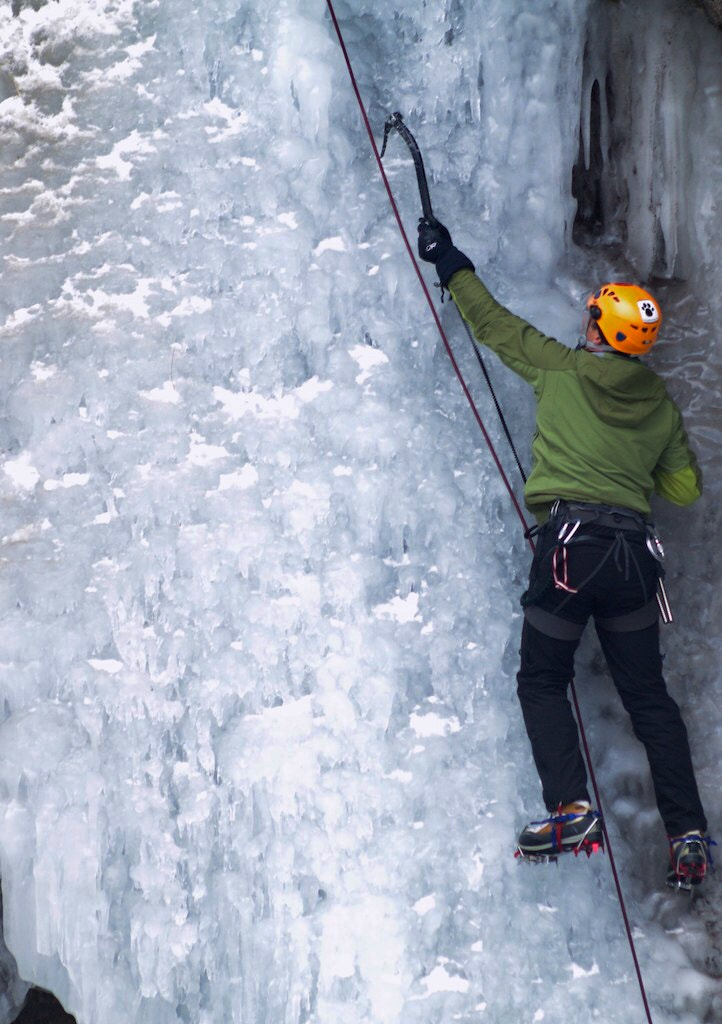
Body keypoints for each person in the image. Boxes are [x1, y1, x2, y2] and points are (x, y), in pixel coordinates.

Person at [417, 217, 713, 888]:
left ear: (599, 333)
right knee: (650, 701)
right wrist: (643, 453)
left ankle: (572, 809)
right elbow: (686, 487)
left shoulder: (562, 369)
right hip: (634, 560)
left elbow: (492, 325)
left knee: (544, 678)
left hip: (570, 551)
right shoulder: (661, 405)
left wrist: (448, 259)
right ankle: (688, 834)